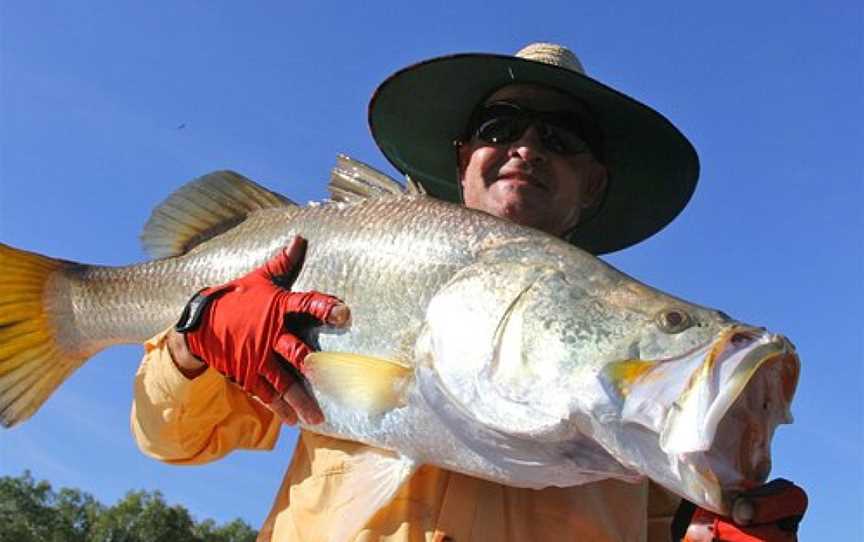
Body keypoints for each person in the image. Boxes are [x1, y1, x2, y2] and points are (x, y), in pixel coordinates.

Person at [131, 43, 806, 541]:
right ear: (463, 161)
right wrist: (194, 340)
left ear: (593, 184)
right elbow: (172, 440)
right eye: (498, 130)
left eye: (560, 138)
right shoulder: (317, 263)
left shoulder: (643, 428)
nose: (525, 148)